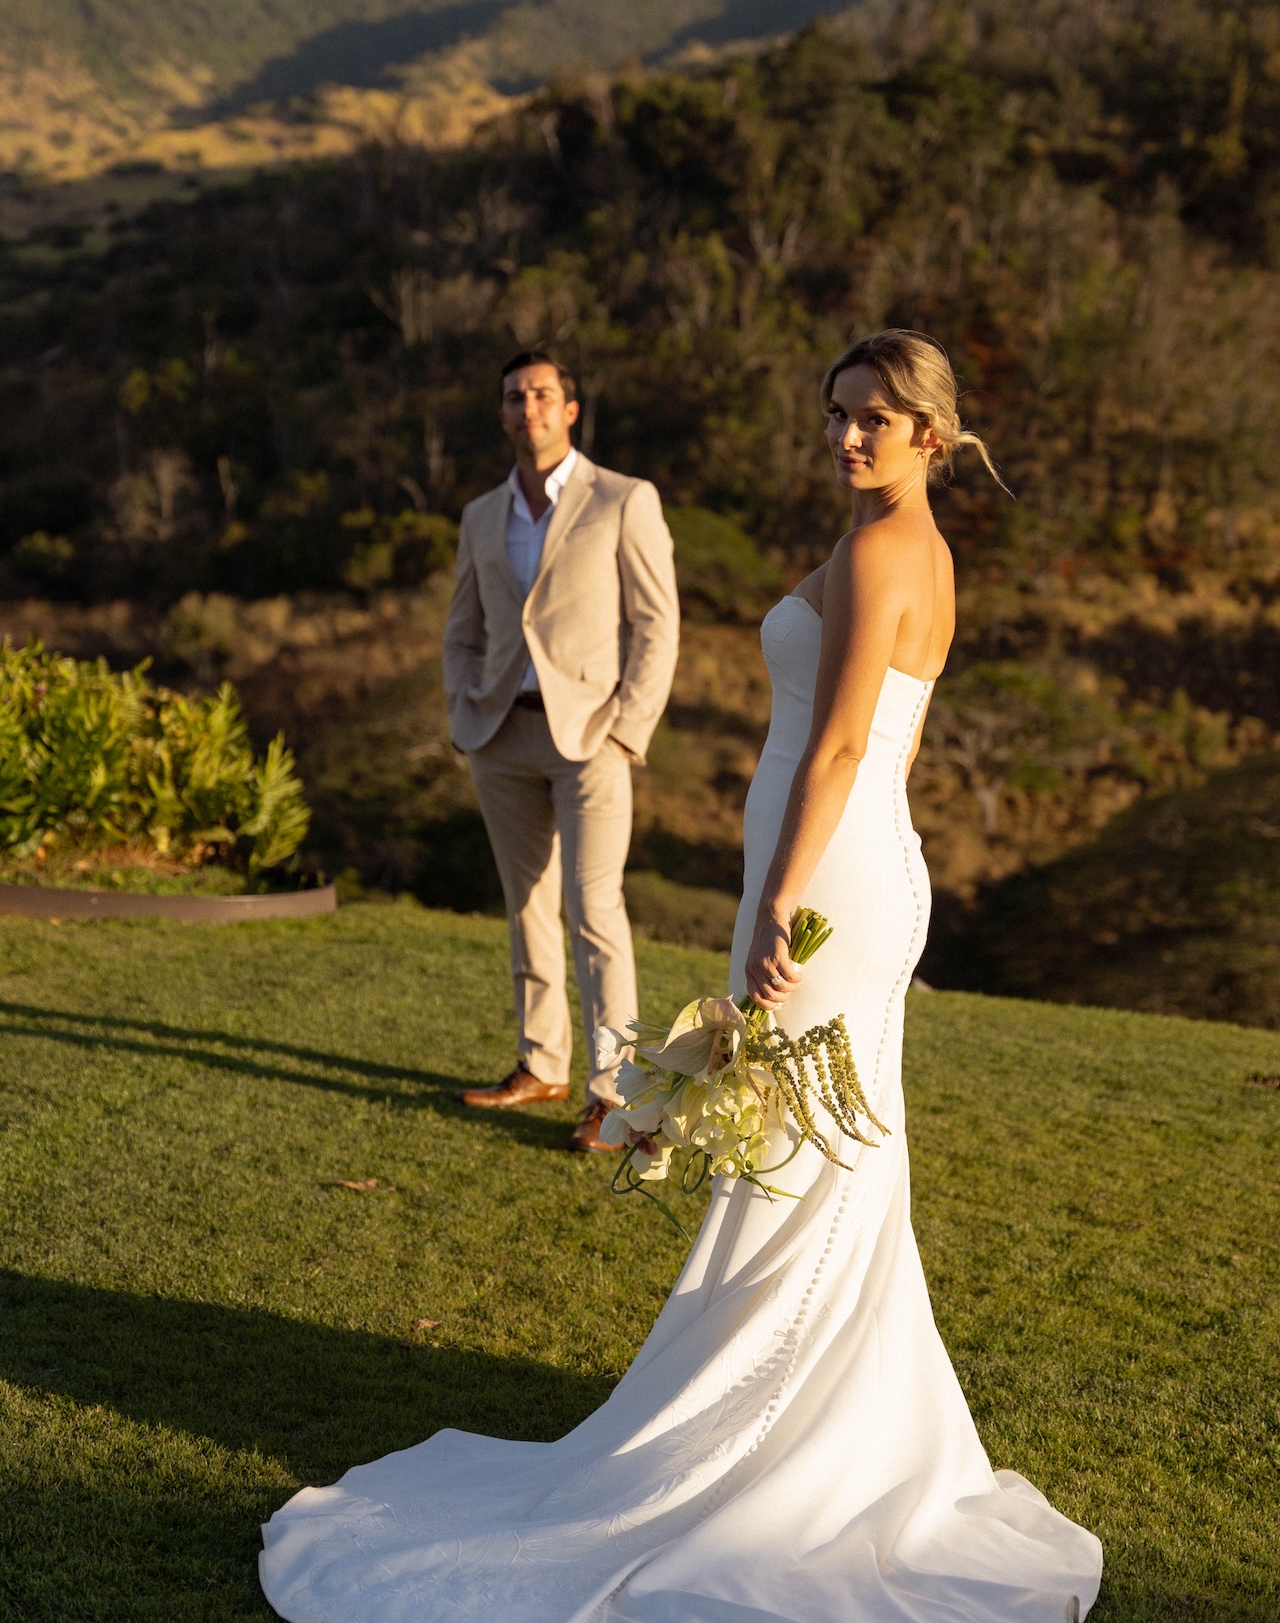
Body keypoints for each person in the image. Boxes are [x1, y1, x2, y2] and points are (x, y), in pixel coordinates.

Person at [259, 331, 1103, 1623]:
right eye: (837, 414)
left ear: (933, 433)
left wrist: (773, 904)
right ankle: (826, 1426)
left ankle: (786, 1451)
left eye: (876, 418)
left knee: (808, 1158)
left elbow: (833, 754)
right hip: (838, 873)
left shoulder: (888, 552)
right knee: (824, 1159)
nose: (849, 437)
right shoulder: (896, 541)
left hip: (830, 883)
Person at [440, 349, 679, 1152]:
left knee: (596, 910)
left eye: (543, 393)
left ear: (569, 410)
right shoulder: (481, 515)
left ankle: (615, 1095)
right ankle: (541, 1063)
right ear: (503, 412)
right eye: (514, 396)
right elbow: (463, 628)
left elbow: (657, 623)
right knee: (527, 907)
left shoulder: (623, 498)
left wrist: (625, 729)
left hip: (592, 741)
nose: (528, 406)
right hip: (500, 736)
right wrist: (460, 709)